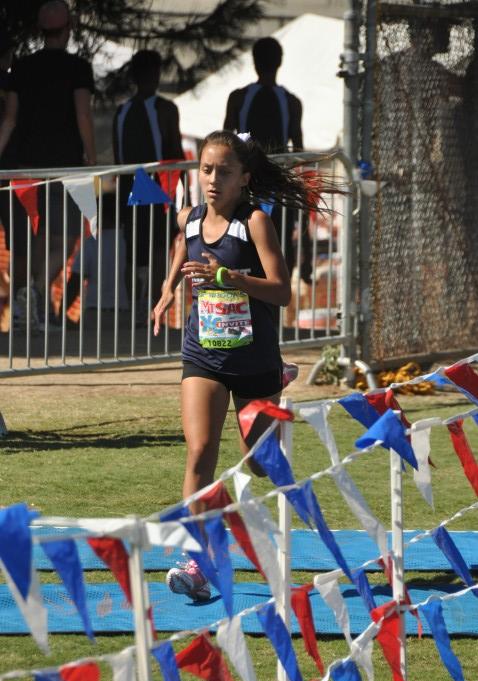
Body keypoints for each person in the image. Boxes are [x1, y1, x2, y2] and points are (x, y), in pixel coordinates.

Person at [152, 130, 327, 601]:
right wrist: (169, 288)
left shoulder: (254, 223)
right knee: (200, 449)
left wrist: (227, 277)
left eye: (223, 172)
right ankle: (197, 561)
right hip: (202, 355)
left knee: (263, 465)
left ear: (243, 178)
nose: (212, 180)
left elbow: (282, 292)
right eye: (206, 170)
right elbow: (181, 247)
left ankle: (279, 375)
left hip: (252, 360)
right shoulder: (189, 219)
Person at [0, 0, 96, 330]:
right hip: (66, 164)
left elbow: (10, 119)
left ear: (41, 31)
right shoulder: (78, 67)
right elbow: (83, 113)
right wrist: (91, 156)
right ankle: (36, 293)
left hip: (27, 167)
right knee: (67, 238)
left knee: (43, 237)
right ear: (68, 29)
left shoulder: (22, 68)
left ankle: (30, 299)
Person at [224, 36, 311, 281]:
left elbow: (224, 142)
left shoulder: (238, 97)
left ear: (253, 61)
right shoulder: (292, 102)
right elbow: (299, 151)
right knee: (278, 245)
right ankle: (274, 307)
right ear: (280, 61)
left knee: (246, 243)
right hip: (270, 185)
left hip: (249, 184)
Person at [113, 49, 184, 318]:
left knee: (133, 252)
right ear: (154, 74)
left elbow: (119, 157)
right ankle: (153, 309)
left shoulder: (122, 111)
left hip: (129, 188)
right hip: (155, 188)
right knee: (155, 251)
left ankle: (136, 310)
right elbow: (176, 154)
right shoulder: (165, 109)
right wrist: (182, 194)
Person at [62, 192, 129, 321]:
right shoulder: (127, 241)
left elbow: (75, 281)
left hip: (95, 314)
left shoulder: (92, 243)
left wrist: (61, 315)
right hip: (124, 314)